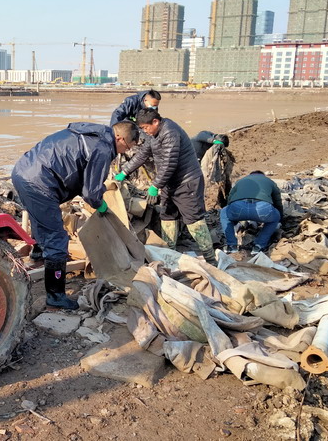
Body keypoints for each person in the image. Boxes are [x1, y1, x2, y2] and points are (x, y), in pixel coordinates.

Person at [12, 121, 140, 310]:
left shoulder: (91, 133)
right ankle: (55, 295)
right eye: (127, 147)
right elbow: (90, 192)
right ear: (120, 138)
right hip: (40, 183)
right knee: (57, 239)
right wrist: (100, 204)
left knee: (42, 219)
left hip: (23, 171)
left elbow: (80, 173)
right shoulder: (103, 148)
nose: (124, 151)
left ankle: (38, 253)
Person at [113, 108, 217, 265]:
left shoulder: (170, 132)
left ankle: (211, 259)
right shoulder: (153, 135)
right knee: (167, 216)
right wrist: (124, 172)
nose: (144, 131)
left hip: (187, 182)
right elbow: (142, 154)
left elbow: (169, 163)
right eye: (142, 129)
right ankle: (169, 255)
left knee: (193, 220)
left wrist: (155, 186)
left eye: (145, 128)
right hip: (169, 182)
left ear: (155, 122)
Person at [220, 171, 283, 255]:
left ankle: (231, 246)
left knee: (224, 212)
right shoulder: (269, 181)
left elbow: (230, 198)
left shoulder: (241, 181)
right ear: (263, 175)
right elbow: (278, 201)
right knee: (276, 216)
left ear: (250, 175)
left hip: (238, 207)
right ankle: (259, 246)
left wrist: (233, 218)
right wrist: (281, 217)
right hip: (262, 209)